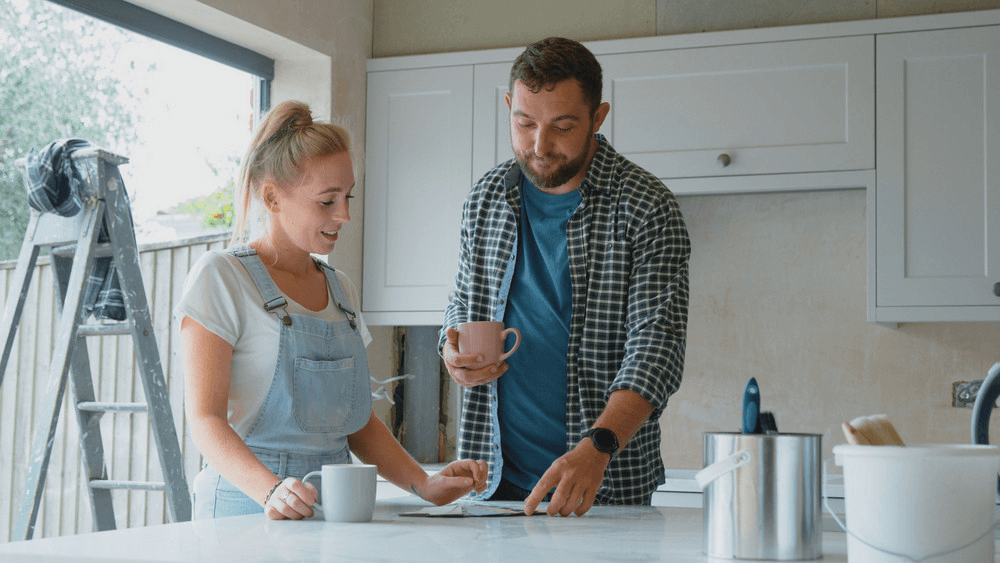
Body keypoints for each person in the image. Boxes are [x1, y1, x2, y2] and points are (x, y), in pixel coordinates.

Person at [177, 100, 487, 520]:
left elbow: (357, 424)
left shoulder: (341, 289)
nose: (344, 215)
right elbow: (205, 419)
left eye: (348, 196)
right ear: (272, 197)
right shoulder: (221, 277)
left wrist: (425, 484)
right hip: (245, 507)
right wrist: (271, 491)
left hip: (333, 508)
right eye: (327, 201)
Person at [440, 37, 690, 517]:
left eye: (563, 126)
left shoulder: (646, 207)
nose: (539, 146)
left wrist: (598, 447)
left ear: (598, 117)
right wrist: (450, 348)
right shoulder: (486, 198)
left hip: (602, 487)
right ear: (509, 107)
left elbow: (655, 349)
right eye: (525, 123)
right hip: (492, 486)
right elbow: (463, 302)